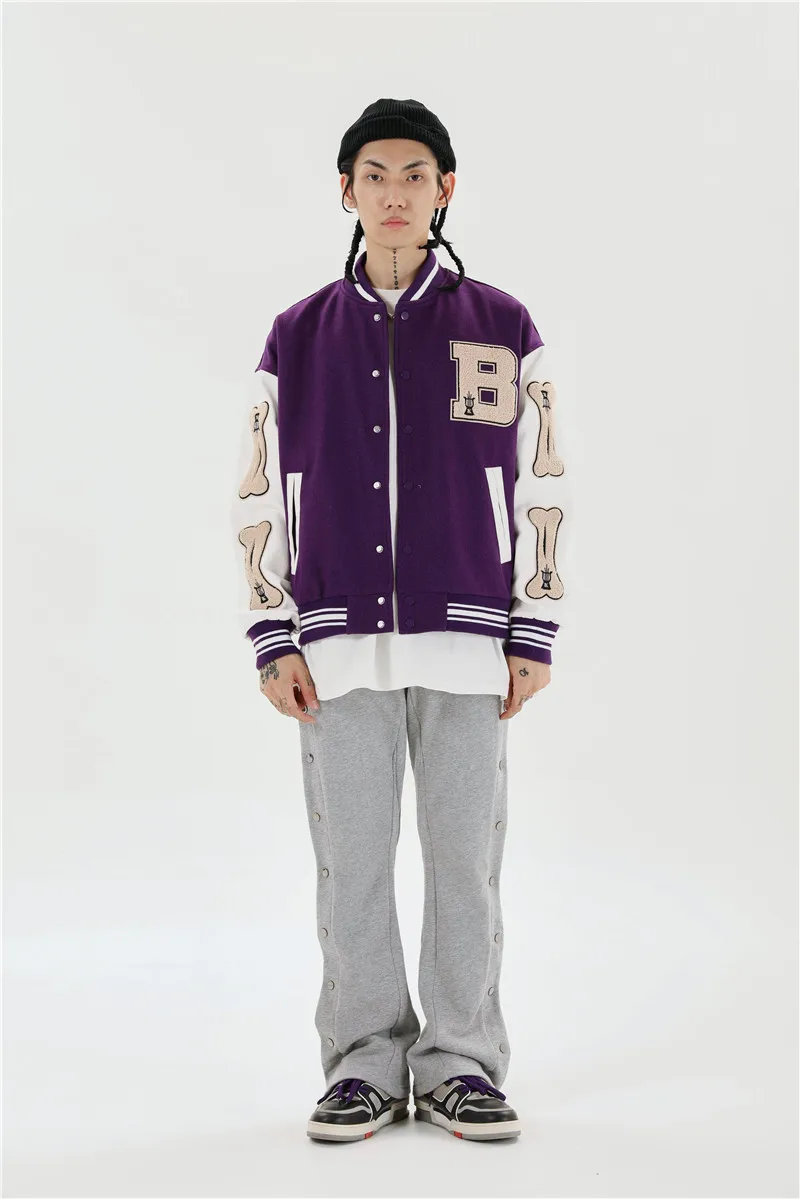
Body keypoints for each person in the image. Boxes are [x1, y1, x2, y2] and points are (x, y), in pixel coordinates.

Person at [233, 98, 572, 1143]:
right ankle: (363, 1062)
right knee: (353, 866)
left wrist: (533, 625)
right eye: (374, 175)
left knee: (463, 861)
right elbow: (258, 489)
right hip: (334, 645)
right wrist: (273, 632)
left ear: (444, 190)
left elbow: (542, 479)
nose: (394, 193)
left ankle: (461, 1057)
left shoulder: (502, 324)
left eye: (413, 175)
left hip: (470, 638)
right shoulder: (297, 335)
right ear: (346, 191)